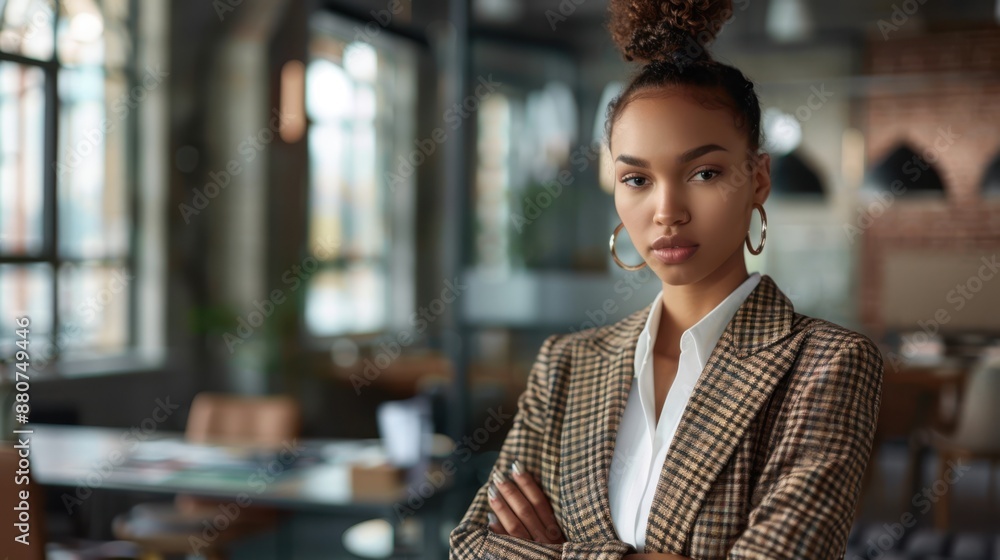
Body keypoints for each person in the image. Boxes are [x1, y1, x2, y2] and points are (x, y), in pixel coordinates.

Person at [449, 1, 884, 558]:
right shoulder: (566, 363)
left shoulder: (827, 364)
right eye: (636, 178)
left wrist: (562, 551)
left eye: (704, 173)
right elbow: (471, 545)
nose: (666, 210)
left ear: (758, 180)